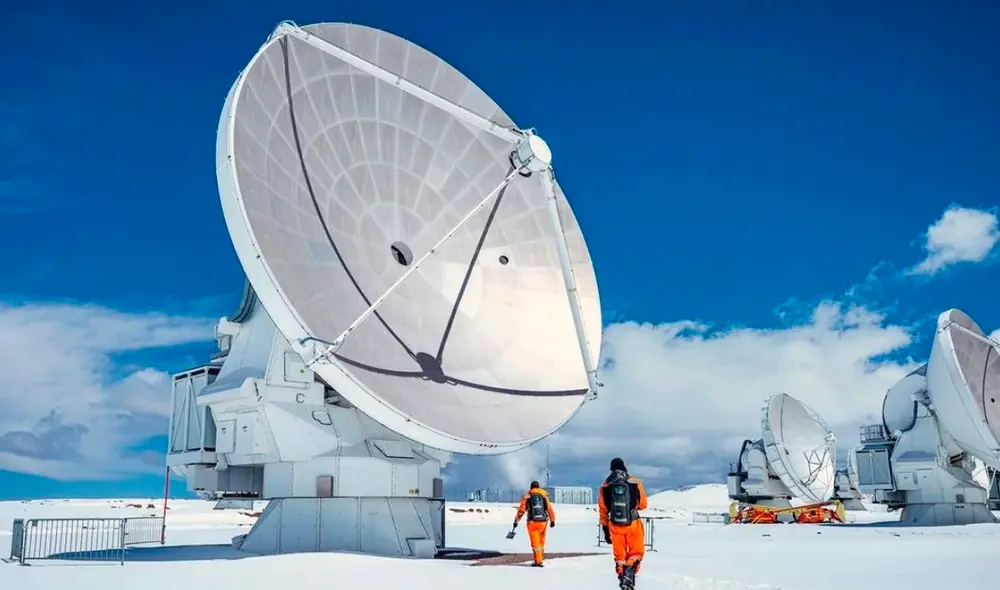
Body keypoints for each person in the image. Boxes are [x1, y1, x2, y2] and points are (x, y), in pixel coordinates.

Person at [598, 457, 648, 589]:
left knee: (620, 556)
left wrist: (605, 529)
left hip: (614, 525)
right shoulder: (634, 482)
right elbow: (643, 505)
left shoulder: (605, 486)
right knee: (636, 552)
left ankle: (622, 574)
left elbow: (603, 511)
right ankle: (629, 575)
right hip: (633, 523)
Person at [512, 480, 556, 566]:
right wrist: (552, 520)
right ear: (538, 487)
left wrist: (516, 521)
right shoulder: (544, 495)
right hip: (543, 522)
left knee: (535, 543)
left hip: (532, 522)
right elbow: (549, 508)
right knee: (541, 541)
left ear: (531, 487)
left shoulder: (527, 496)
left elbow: (521, 510)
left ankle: (538, 561)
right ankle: (539, 559)